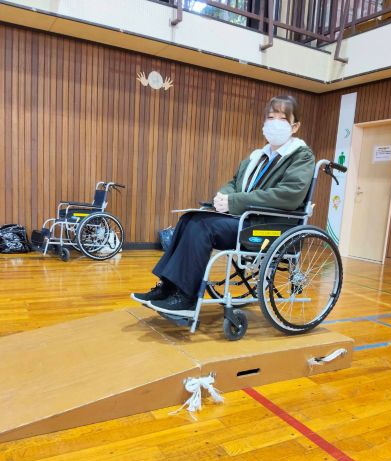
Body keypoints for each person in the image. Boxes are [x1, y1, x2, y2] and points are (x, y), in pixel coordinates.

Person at [131, 95, 315, 316]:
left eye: (282, 119)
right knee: (189, 219)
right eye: (271, 117)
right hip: (247, 219)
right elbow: (234, 183)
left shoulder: (301, 156)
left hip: (268, 228)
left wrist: (234, 201)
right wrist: (223, 196)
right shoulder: (257, 157)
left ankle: (186, 297)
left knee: (203, 227)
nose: (275, 123)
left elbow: (289, 195)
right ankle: (169, 287)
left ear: (295, 126)